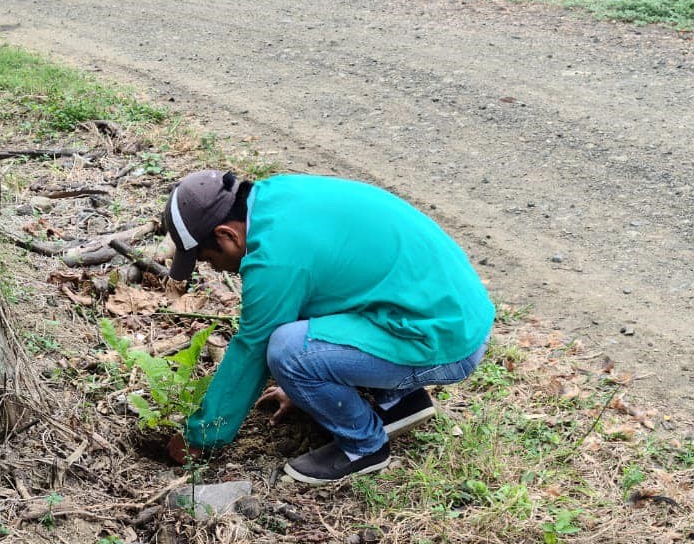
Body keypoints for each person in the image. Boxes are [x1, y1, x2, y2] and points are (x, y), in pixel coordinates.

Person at [162, 168, 494, 486]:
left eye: (209, 260)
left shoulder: (275, 259)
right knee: (302, 324)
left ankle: (364, 446)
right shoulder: (276, 196)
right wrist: (301, 390)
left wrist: (201, 437)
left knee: (287, 350)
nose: (218, 270)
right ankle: (400, 402)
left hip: (447, 341)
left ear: (227, 235)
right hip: (456, 308)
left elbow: (254, 349)